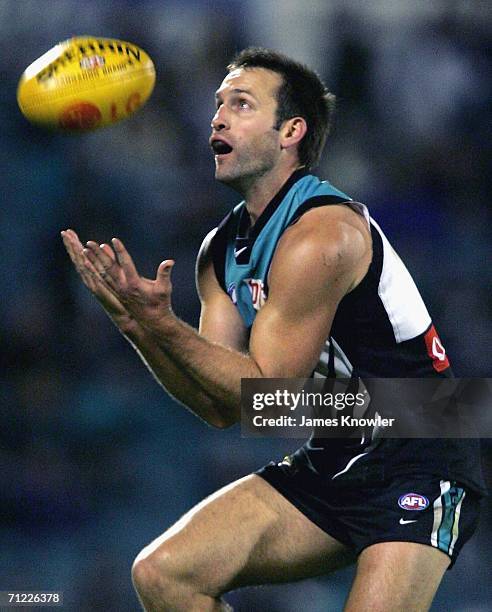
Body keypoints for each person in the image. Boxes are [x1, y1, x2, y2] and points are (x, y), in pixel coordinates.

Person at [62, 48, 484, 612]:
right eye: (218, 104)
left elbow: (272, 392)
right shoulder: (219, 253)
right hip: (339, 443)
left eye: (240, 103)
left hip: (422, 446)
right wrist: (139, 326)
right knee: (164, 575)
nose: (217, 117)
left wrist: (162, 324)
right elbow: (223, 407)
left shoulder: (324, 234)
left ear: (291, 131)